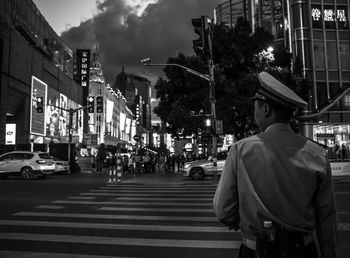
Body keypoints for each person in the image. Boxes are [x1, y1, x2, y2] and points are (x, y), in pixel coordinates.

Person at [213, 72, 338, 258]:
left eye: (256, 106)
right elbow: (327, 219)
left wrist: (245, 219)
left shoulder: (241, 149)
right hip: (303, 251)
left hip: (257, 251)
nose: (254, 112)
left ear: (266, 109)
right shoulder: (317, 154)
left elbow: (223, 210)